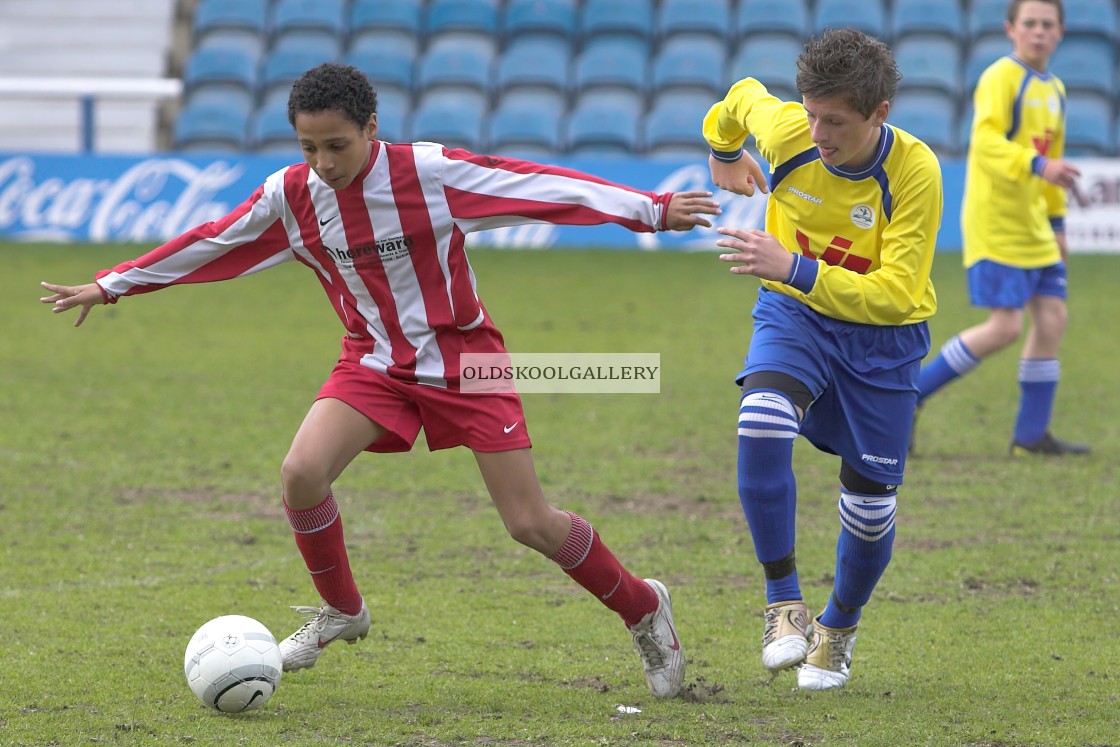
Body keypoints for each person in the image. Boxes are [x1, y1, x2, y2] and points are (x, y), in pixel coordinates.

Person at [40, 62, 721, 699]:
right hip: (372, 361)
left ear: (372, 130)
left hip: (464, 361)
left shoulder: (428, 173)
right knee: (301, 472)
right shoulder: (293, 194)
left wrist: (651, 208)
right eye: (309, 147)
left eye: (337, 144)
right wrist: (112, 284)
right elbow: (215, 239)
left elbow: (535, 184)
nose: (323, 163)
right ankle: (342, 608)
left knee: (529, 523)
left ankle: (642, 605)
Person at [703, 29, 941, 690]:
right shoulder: (790, 135)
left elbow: (896, 294)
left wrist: (797, 266)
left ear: (879, 114)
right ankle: (784, 605)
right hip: (795, 314)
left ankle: (837, 629)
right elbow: (738, 99)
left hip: (883, 342)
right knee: (761, 419)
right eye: (811, 114)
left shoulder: (915, 171)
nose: (818, 132)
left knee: (868, 508)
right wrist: (724, 149)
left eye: (834, 121)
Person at [914, 0, 1087, 456]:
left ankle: (1031, 436)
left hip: (1035, 225)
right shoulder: (1000, 77)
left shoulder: (1057, 89)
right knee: (1005, 327)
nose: (1038, 32)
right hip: (997, 224)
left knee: (1053, 318)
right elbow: (986, 141)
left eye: (1047, 24)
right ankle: (910, 397)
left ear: (1061, 33)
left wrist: (1057, 223)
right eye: (1029, 23)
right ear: (1011, 29)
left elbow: (1054, 162)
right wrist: (1036, 164)